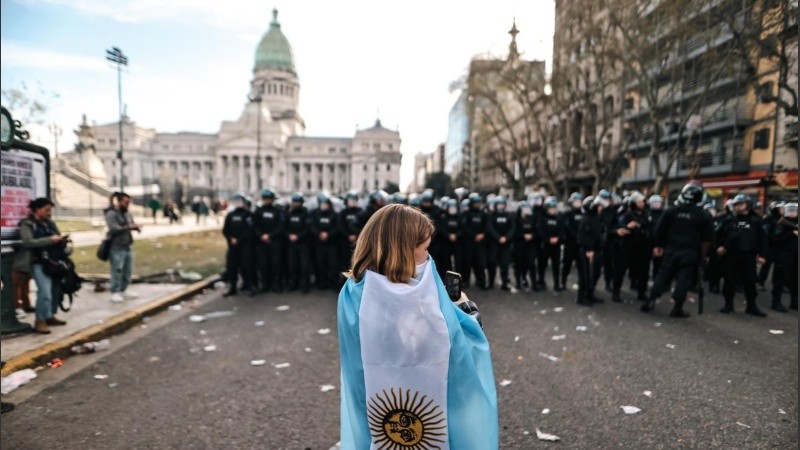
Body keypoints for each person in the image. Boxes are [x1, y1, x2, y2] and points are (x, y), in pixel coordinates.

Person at [338, 204, 498, 449]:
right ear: (404, 251)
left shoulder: (353, 292)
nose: (429, 257)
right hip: (430, 417)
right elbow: (456, 355)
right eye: (425, 249)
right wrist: (467, 313)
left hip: (375, 411)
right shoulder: (415, 297)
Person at [641, 183, 713, 317]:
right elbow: (707, 240)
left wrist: (658, 246)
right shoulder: (704, 215)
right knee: (683, 279)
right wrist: (704, 257)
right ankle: (677, 308)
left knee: (663, 275)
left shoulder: (672, 210)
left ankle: (650, 300)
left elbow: (660, 230)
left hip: (671, 250)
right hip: (691, 252)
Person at [13, 198, 69, 333]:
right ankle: (40, 320)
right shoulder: (27, 224)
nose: (49, 213)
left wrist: (61, 240)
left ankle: (49, 315)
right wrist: (50, 240)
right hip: (38, 262)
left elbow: (56, 236)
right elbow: (28, 242)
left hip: (53, 261)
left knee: (55, 290)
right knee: (44, 292)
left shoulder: (49, 223)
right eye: (46, 210)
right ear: (37, 209)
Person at [716, 194, 769, 316]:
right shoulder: (729, 220)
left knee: (750, 281)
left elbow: (763, 240)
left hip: (748, 255)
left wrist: (762, 255)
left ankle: (752, 306)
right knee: (729, 280)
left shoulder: (755, 221)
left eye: (740, 204)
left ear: (748, 205)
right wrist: (719, 246)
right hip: (731, 255)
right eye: (736, 205)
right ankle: (728, 304)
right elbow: (717, 234)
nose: (737, 207)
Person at [612, 192, 652, 302]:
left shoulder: (646, 214)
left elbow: (649, 228)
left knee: (643, 271)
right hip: (627, 246)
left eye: (642, 201)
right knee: (620, 270)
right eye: (639, 202)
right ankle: (616, 292)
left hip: (642, 246)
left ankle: (641, 292)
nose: (642, 203)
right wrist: (627, 226)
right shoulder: (627, 215)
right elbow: (619, 228)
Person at [105, 192, 141, 303]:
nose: (127, 204)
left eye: (129, 202)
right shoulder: (112, 213)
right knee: (117, 270)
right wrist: (128, 227)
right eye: (125, 202)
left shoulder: (127, 213)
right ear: (119, 201)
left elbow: (131, 223)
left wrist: (135, 227)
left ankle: (124, 289)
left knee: (127, 270)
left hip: (127, 246)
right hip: (116, 247)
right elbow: (113, 229)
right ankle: (115, 291)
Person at [222, 192, 255, 297]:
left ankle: (249, 286)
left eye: (239, 201)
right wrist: (230, 238)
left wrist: (239, 239)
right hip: (232, 246)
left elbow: (250, 230)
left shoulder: (248, 215)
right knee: (231, 267)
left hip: (245, 245)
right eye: (236, 201)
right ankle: (232, 287)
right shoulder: (230, 215)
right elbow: (225, 229)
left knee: (246, 266)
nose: (237, 203)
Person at [253, 189, 285, 293]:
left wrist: (270, 235)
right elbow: (255, 225)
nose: (267, 201)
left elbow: (281, 226)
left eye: (269, 199)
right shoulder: (259, 211)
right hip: (262, 242)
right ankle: (265, 284)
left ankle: (276, 284)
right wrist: (261, 235)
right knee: (263, 264)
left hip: (274, 241)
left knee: (276, 264)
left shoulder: (277, 210)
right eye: (265, 199)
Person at [577, 196, 607, 305]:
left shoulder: (597, 218)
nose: (600, 208)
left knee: (594, 274)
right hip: (588, 251)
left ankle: (590, 294)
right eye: (598, 206)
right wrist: (588, 249)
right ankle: (581, 297)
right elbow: (583, 236)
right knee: (585, 275)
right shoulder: (586, 219)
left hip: (597, 250)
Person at [768, 202, 798, 311]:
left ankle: (794, 302)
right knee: (780, 280)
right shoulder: (782, 223)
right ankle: (776, 303)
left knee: (795, 280)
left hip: (796, 256)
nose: (793, 212)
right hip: (783, 256)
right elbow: (775, 239)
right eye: (790, 210)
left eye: (795, 210)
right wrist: (791, 233)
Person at [310, 193, 340, 290]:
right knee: (321, 264)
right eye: (322, 203)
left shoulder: (334, 215)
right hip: (319, 244)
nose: (324, 205)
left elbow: (337, 227)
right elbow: (312, 226)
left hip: (332, 244)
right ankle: (322, 283)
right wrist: (319, 234)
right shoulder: (316, 214)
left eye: (326, 203)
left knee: (333, 265)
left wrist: (328, 234)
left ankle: (334, 283)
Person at [459, 193, 488, 290]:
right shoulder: (466, 214)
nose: (477, 204)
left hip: (480, 243)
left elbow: (486, 225)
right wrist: (474, 235)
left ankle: (481, 281)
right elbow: (464, 227)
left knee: (480, 263)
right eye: (475, 203)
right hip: (468, 242)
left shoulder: (482, 213)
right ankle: (466, 281)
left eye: (478, 202)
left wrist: (482, 234)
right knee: (467, 262)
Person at [536, 196, 565, 291]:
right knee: (542, 264)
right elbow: (540, 230)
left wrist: (558, 238)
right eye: (551, 208)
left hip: (556, 245)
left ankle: (556, 284)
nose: (553, 210)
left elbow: (562, 230)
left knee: (556, 265)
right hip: (545, 244)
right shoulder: (542, 218)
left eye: (554, 208)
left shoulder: (559, 218)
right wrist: (548, 239)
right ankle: (541, 281)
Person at [486, 197, 515, 291]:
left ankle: (505, 283)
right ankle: (490, 282)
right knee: (492, 263)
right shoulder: (491, 215)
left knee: (505, 264)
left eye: (502, 204)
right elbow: (489, 228)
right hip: (494, 243)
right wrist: (498, 238)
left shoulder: (509, 215)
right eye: (499, 204)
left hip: (505, 244)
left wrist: (506, 237)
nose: (500, 206)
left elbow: (512, 228)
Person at [285, 193, 312, 293]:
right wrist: (289, 235)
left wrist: (298, 236)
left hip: (303, 243)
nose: (296, 204)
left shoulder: (305, 213)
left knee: (304, 266)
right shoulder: (289, 213)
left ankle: (305, 285)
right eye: (294, 202)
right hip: (291, 243)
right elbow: (284, 227)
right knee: (292, 265)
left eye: (298, 202)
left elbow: (308, 228)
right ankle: (293, 284)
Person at [561, 192, 584, 289]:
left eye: (579, 201)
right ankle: (563, 282)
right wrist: (576, 236)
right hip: (570, 242)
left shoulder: (583, 213)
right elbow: (567, 227)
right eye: (576, 201)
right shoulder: (567, 213)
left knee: (581, 265)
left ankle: (581, 282)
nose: (578, 203)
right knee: (567, 263)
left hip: (581, 243)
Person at [514, 201, 537, 292]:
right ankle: (518, 282)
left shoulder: (533, 219)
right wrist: (523, 236)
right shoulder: (516, 219)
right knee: (519, 263)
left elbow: (537, 229)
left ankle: (534, 284)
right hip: (519, 244)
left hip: (530, 244)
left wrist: (532, 235)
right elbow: (514, 231)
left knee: (531, 263)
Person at [338, 192, 362, 277]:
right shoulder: (343, 212)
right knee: (345, 262)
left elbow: (364, 225)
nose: (352, 202)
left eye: (354, 200)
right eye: (351, 200)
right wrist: (348, 235)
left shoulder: (361, 211)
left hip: (358, 241)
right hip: (345, 241)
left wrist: (356, 235)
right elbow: (340, 226)